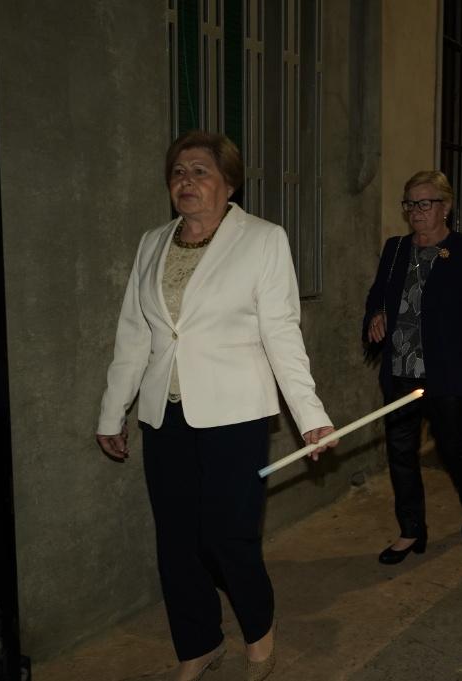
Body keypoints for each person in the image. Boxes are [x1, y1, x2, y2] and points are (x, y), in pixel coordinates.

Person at [96, 131, 335, 681]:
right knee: (176, 539)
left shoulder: (263, 240)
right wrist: (113, 412)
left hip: (236, 414)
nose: (187, 180)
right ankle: (198, 644)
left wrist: (311, 416)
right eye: (179, 171)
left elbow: (282, 333)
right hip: (166, 414)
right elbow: (134, 334)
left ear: (229, 184)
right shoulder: (152, 242)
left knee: (228, 536)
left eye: (200, 171)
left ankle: (258, 632)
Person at [363, 170, 462, 565]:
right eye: (410, 203)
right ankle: (411, 530)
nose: (415, 212)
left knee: (452, 447)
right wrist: (376, 314)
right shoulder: (395, 250)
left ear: (446, 207)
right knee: (400, 452)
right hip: (401, 368)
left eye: (424, 203)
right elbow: (377, 295)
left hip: (446, 369)